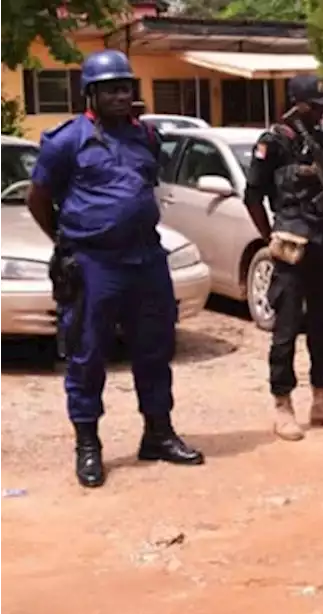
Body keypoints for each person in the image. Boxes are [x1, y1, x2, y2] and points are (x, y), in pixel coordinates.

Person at [26, 49, 203, 488]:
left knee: (155, 350)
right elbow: (38, 199)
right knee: (87, 356)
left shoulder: (146, 137)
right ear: (92, 93)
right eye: (111, 89)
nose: (121, 96)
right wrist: (66, 242)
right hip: (94, 263)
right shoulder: (67, 140)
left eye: (126, 87)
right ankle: (89, 445)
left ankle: (157, 434)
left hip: (146, 259)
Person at [244, 75, 323, 441]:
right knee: (286, 331)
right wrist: (270, 237)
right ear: (298, 103)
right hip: (292, 247)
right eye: (316, 104)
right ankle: (283, 405)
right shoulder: (273, 143)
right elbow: (253, 196)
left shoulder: (321, 140)